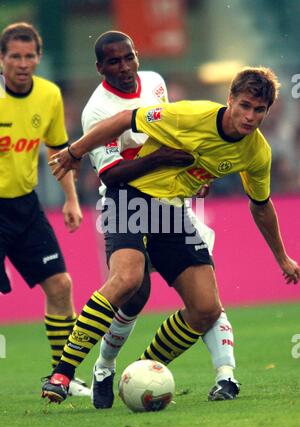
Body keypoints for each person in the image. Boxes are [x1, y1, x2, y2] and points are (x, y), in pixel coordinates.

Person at [42, 34, 240, 407]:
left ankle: (140, 369)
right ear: (100, 68)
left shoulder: (155, 83)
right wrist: (162, 159)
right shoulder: (97, 109)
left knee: (205, 307)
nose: (123, 67)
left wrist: (194, 174)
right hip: (125, 200)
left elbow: (177, 133)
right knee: (131, 284)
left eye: (128, 58)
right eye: (113, 62)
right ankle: (71, 371)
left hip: (168, 201)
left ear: (137, 56)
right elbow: (111, 176)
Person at [0, 22, 90, 396]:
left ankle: (62, 378)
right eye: (14, 56)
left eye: (29, 56)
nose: (22, 64)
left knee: (61, 285)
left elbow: (58, 151)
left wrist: (70, 197)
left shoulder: (49, 95)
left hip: (25, 205)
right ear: (2, 59)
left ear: (38, 58)